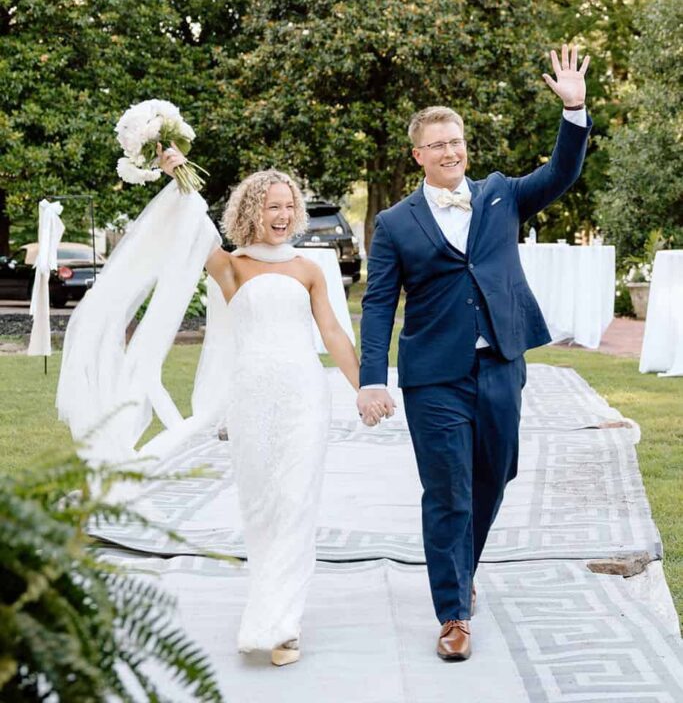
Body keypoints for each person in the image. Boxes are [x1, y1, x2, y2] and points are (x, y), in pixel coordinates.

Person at [357, 44, 591, 662]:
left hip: (500, 366)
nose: (450, 151)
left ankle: (463, 568)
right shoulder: (396, 223)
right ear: (418, 156)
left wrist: (574, 112)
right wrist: (370, 377)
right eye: (436, 144)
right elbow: (379, 304)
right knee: (449, 491)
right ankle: (453, 613)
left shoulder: (500, 195)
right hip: (433, 377)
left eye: (455, 140)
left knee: (494, 476)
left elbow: (559, 175)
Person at [154, 160, 377, 667]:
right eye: (272, 205)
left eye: (289, 205)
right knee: (261, 508)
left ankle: (283, 626)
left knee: (296, 502)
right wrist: (175, 175)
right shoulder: (231, 265)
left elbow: (334, 335)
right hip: (251, 397)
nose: (283, 214)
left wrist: (366, 387)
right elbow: (190, 224)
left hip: (303, 396)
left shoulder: (309, 268)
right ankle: (269, 604)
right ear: (251, 211)